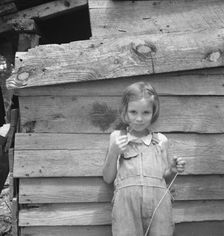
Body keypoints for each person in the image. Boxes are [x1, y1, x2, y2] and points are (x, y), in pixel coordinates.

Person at [103, 81, 186, 236]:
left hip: (159, 206)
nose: (139, 119)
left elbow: (165, 179)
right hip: (126, 208)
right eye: (133, 112)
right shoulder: (117, 138)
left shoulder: (161, 140)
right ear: (125, 112)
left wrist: (173, 170)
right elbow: (108, 178)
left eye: (146, 112)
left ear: (153, 112)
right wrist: (113, 152)